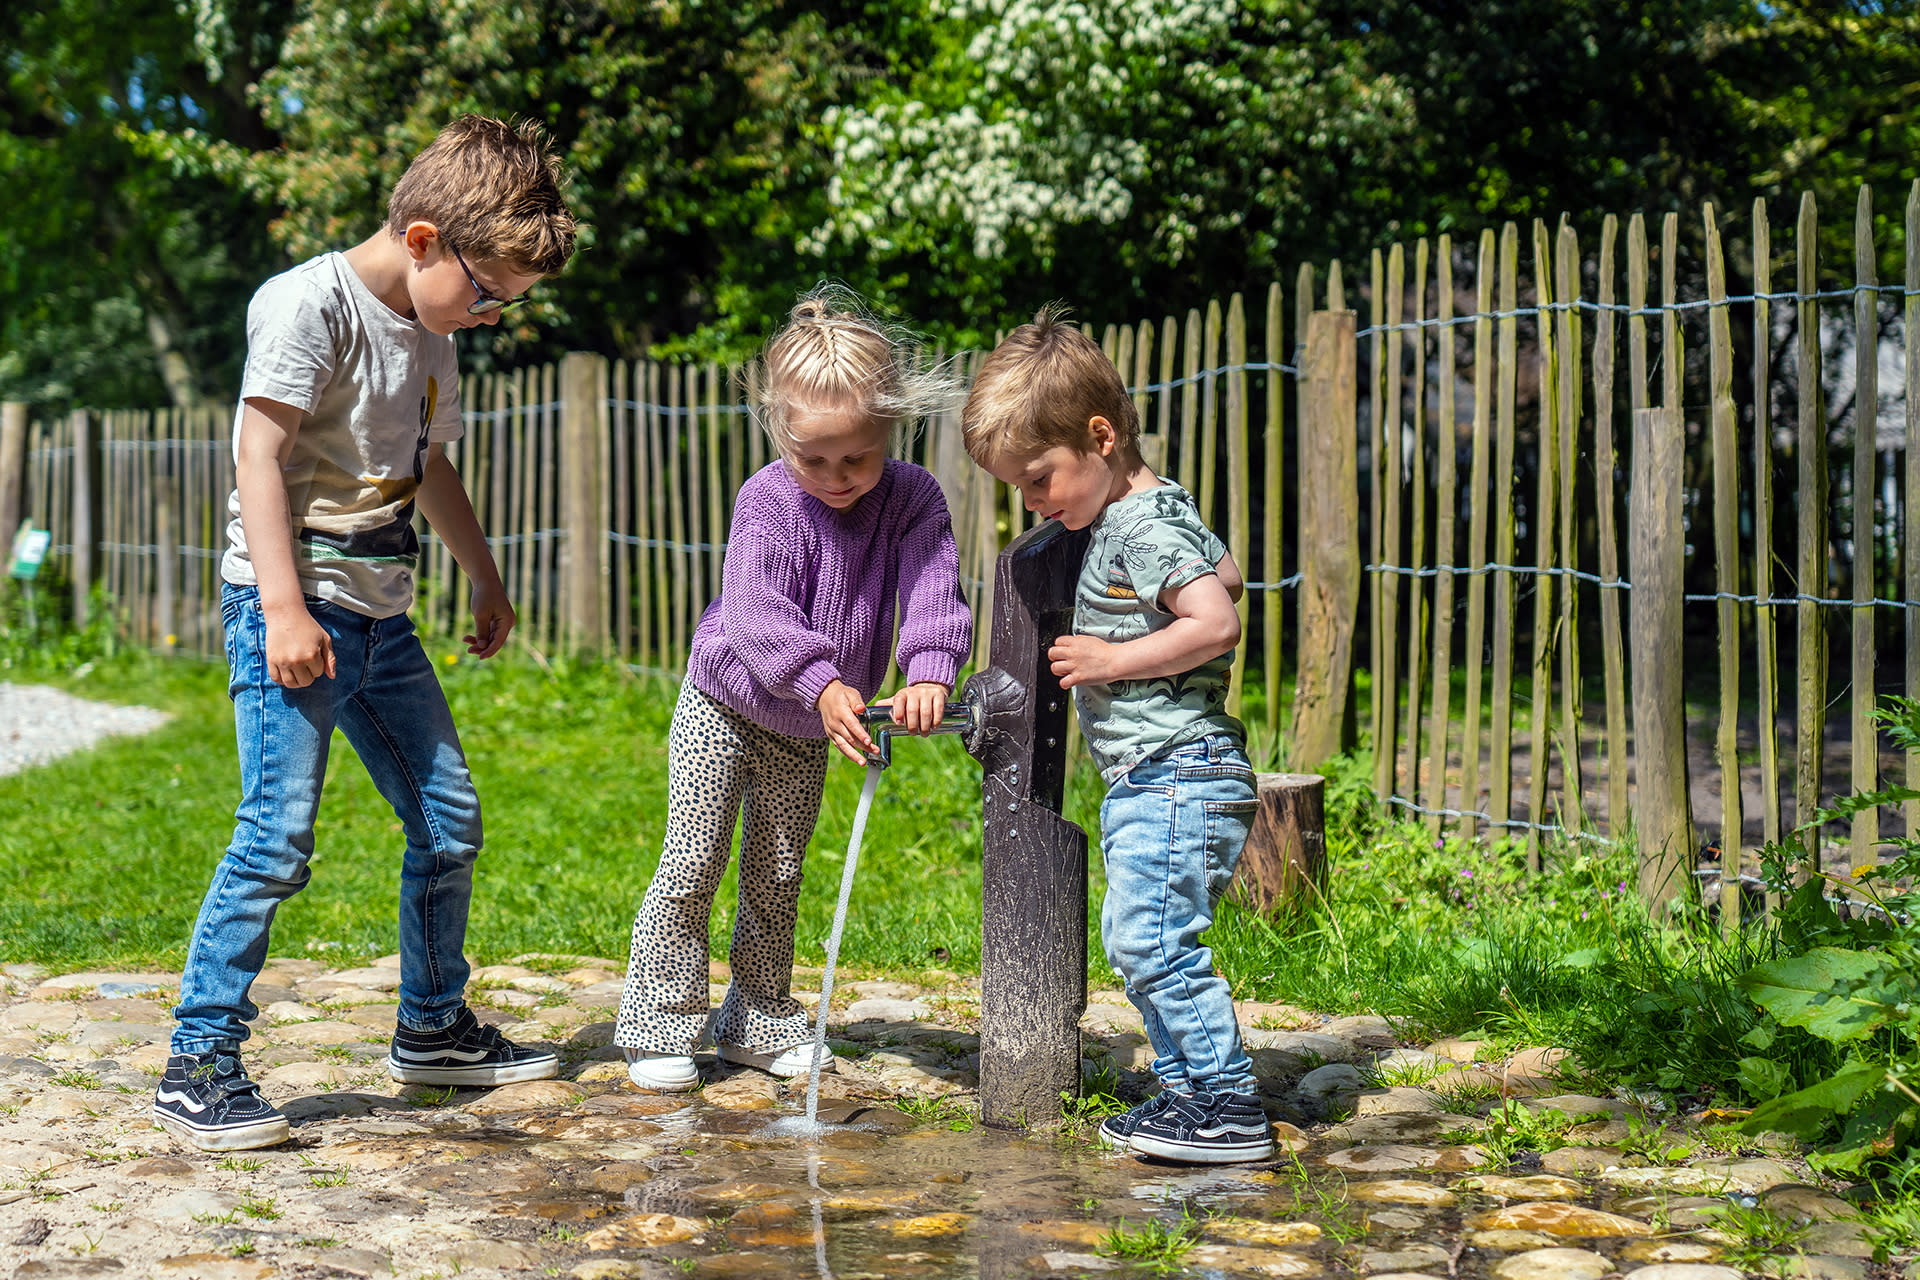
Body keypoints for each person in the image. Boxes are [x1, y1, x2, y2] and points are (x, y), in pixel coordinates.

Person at [154, 115, 579, 1152]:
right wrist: (286, 607)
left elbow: (428, 467)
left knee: (449, 819)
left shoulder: (432, 337)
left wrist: (483, 571)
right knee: (276, 834)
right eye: (486, 292)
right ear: (426, 238)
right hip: (291, 608)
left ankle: (432, 1024)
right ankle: (197, 1059)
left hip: (383, 615)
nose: (488, 316)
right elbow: (259, 456)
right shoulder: (310, 305)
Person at [613, 288, 972, 1091]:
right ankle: (659, 1020)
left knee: (777, 872)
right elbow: (754, 613)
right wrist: (822, 683)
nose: (837, 477)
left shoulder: (914, 498)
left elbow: (932, 589)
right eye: (815, 458)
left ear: (890, 430)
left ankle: (758, 1016)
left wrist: (928, 673)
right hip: (727, 705)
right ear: (780, 430)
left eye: (857, 459)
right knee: (693, 860)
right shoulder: (768, 501)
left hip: (813, 725)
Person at [962, 306, 1271, 1164]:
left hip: (1178, 768)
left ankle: (1228, 1106)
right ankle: (1188, 1097)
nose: (1030, 502)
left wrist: (1113, 656)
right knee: (1145, 936)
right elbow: (1229, 574)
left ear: (1100, 437)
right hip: (1159, 772)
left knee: (1150, 940)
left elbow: (1215, 623)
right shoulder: (1153, 507)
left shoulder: (1137, 524)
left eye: (1038, 479)